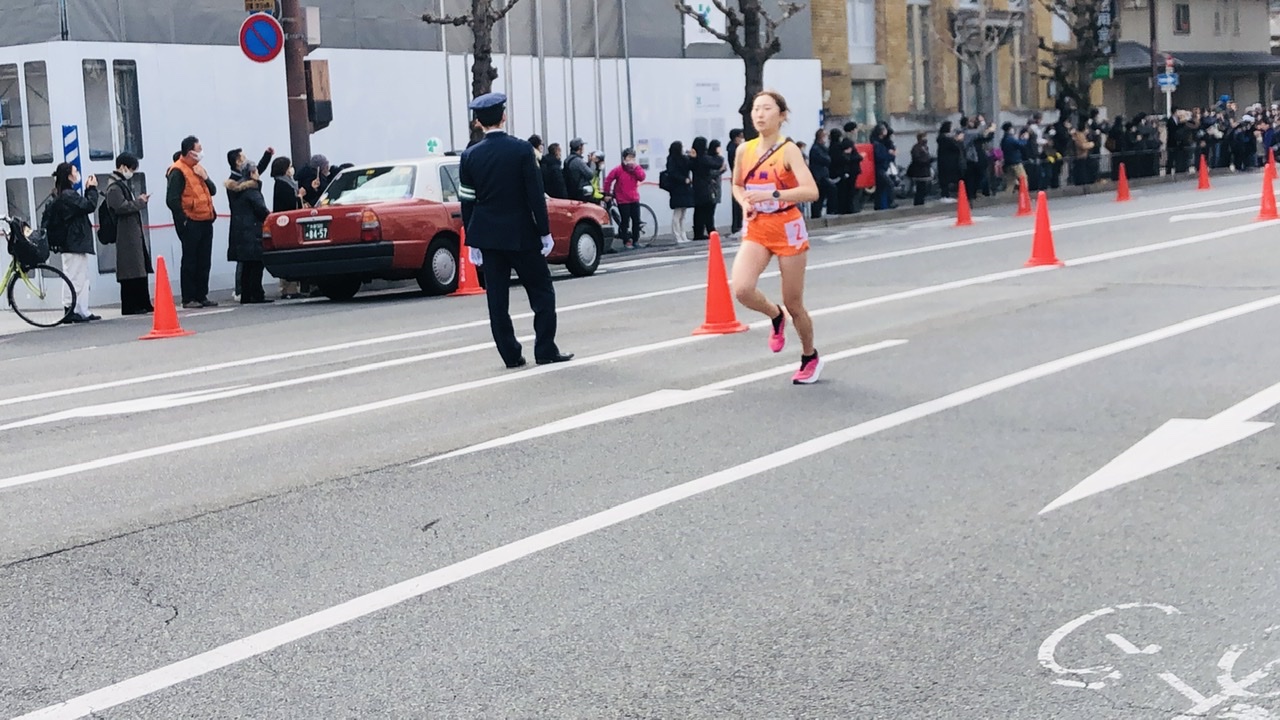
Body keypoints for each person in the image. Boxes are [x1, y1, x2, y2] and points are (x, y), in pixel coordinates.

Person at [458, 92, 573, 369]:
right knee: (541, 291)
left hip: (487, 236)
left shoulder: (469, 156)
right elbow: (535, 195)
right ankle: (545, 348)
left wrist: (472, 241)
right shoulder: (522, 150)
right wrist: (544, 231)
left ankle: (510, 355)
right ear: (504, 116)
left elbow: (467, 201)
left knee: (497, 299)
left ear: (478, 122)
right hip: (522, 233)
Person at [729, 90, 823, 385]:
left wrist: (773, 194)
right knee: (742, 289)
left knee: (794, 302)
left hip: (787, 226)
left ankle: (810, 356)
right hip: (758, 227)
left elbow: (811, 191)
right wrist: (744, 201)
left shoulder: (788, 150)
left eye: (767, 109)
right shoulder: (744, 150)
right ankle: (774, 316)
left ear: (782, 116)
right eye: (756, 109)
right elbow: (736, 185)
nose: (759, 114)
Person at [166, 135, 218, 308]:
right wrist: (184, 220)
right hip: (191, 221)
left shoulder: (198, 168)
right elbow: (172, 200)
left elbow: (213, 190)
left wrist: (206, 177)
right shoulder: (177, 171)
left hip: (205, 219)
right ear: (190, 152)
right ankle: (189, 298)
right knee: (190, 260)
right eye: (199, 149)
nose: (201, 152)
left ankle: (201, 295)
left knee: (204, 260)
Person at [47, 162, 101, 323]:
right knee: (74, 276)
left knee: (82, 276)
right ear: (69, 176)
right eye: (75, 171)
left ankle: (81, 309)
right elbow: (88, 205)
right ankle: (69, 309)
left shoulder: (65, 194)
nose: (77, 173)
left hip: (75, 241)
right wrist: (91, 189)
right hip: (73, 241)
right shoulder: (68, 195)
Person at [103, 152, 154, 315]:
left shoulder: (120, 184)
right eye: (131, 168)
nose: (131, 172)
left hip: (131, 231)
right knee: (131, 268)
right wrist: (140, 202)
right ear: (122, 166)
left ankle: (143, 302)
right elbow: (121, 207)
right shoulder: (114, 187)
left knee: (138, 267)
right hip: (125, 232)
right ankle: (132, 305)